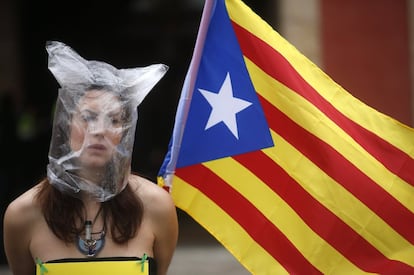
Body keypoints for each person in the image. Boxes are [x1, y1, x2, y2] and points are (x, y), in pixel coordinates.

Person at [3, 41, 178, 275]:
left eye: (114, 120)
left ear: (125, 133)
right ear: (65, 125)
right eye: (88, 117)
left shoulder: (156, 206)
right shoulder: (23, 214)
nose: (99, 130)